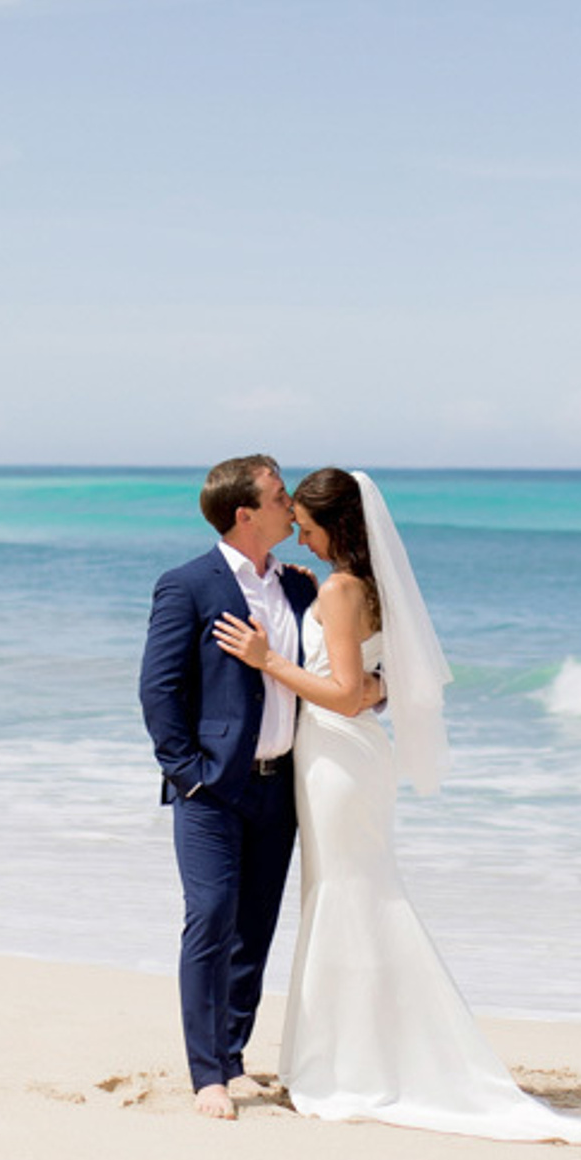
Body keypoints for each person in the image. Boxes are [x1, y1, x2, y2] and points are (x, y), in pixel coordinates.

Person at [214, 466, 581, 1146]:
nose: (304, 538)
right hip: (349, 756)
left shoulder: (343, 589)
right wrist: (367, 686)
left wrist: (266, 660)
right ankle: (346, 1052)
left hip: (339, 755)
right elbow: (377, 683)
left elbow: (346, 692)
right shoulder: (366, 587)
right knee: (350, 895)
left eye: (312, 528)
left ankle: (352, 1062)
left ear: (338, 527)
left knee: (350, 896)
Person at [139, 455, 382, 1121]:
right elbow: (159, 690)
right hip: (212, 790)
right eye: (278, 497)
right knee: (211, 918)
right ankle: (206, 1074)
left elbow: (344, 670)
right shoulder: (187, 584)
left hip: (281, 789)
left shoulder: (301, 589)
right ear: (246, 514)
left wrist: (378, 694)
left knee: (254, 928)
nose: (289, 506)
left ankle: (235, 1056)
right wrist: (187, 775)